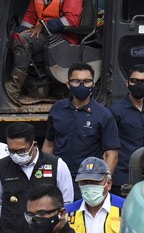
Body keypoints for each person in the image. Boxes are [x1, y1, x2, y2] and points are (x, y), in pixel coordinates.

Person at [41, 61, 120, 197]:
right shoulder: (57, 109)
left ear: (93, 84)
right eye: (76, 81)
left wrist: (104, 183)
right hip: (59, 177)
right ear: (68, 84)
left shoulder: (103, 115)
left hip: (88, 180)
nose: (82, 85)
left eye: (87, 81)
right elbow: (49, 145)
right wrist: (44, 177)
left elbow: (111, 154)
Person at [6, 0, 84, 104]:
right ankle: (28, 84)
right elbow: (30, 18)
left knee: (23, 41)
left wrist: (43, 26)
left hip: (64, 35)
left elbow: (71, 19)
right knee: (12, 39)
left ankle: (14, 87)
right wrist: (17, 34)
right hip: (43, 32)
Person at [108, 65, 144, 195]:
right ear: (127, 83)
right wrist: (107, 179)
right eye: (134, 81)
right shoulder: (115, 111)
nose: (139, 85)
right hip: (120, 180)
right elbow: (109, 150)